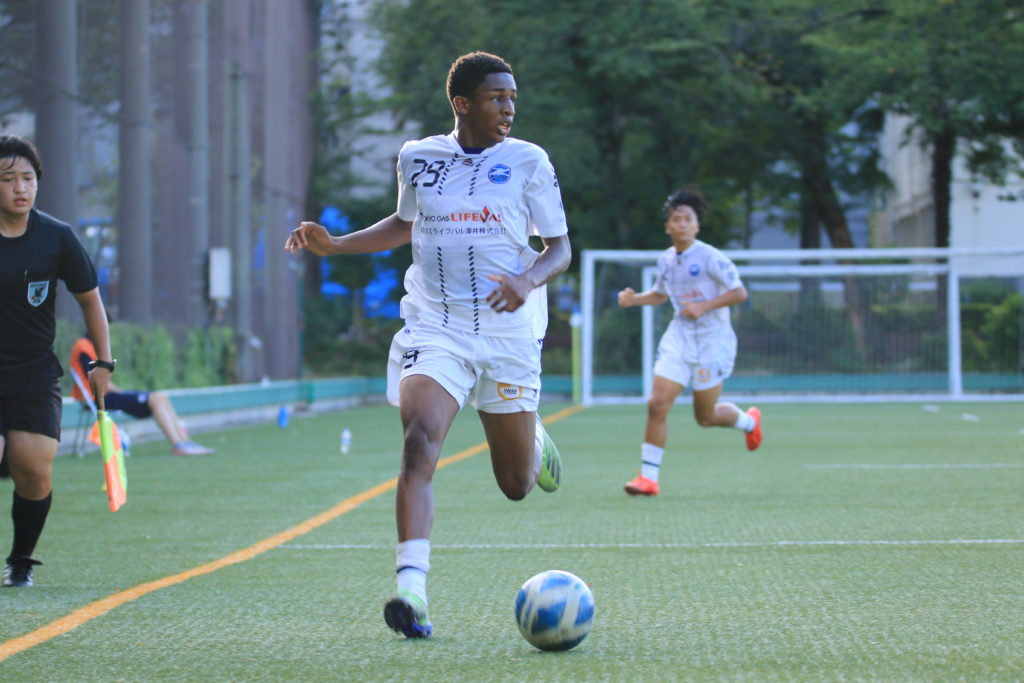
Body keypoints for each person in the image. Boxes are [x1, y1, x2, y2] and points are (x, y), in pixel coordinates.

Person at [285, 51, 571, 638]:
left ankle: (533, 437)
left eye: (512, 98)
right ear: (462, 103)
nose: (509, 108)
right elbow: (404, 224)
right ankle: (411, 593)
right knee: (418, 443)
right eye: (496, 98)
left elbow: (560, 248)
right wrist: (335, 245)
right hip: (435, 325)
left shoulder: (529, 161)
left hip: (509, 330)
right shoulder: (417, 158)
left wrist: (526, 280)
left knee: (516, 485)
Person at [0, 134, 114, 587]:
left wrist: (104, 363)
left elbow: (90, 301)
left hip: (32, 372)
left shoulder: (57, 237)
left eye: (28, 178)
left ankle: (20, 561)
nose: (20, 188)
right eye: (8, 179)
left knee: (33, 470)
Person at [618, 187, 762, 497]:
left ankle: (749, 422)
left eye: (688, 219)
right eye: (676, 219)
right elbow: (660, 295)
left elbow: (739, 292)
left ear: (697, 226)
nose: (682, 224)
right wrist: (634, 300)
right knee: (657, 404)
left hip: (713, 342)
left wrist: (704, 306)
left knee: (705, 417)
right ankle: (648, 479)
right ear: (667, 227)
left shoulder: (710, 256)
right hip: (679, 338)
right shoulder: (666, 259)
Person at [69, 332, 214, 456]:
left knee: (161, 396)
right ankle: (179, 445)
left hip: (105, 395)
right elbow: (96, 379)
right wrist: (121, 392)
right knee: (155, 399)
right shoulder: (84, 347)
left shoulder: (92, 346)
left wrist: (122, 392)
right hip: (99, 398)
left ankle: (185, 442)